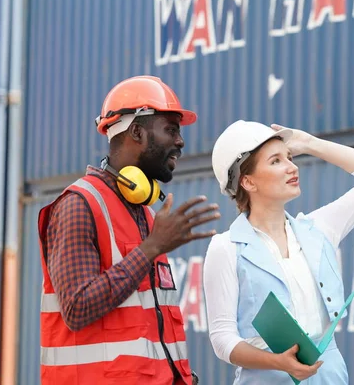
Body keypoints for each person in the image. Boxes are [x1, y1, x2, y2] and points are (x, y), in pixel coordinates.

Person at [37, 76, 220, 385]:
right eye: (171, 130)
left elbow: (146, 332)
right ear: (137, 131)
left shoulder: (146, 216)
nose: (180, 142)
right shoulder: (78, 205)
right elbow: (77, 308)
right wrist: (151, 248)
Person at [203, 120, 354, 384]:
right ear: (248, 181)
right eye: (275, 161)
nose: (292, 167)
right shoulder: (225, 248)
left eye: (290, 157)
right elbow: (222, 338)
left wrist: (309, 143)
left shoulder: (320, 229)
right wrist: (276, 361)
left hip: (329, 377)